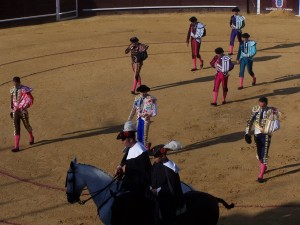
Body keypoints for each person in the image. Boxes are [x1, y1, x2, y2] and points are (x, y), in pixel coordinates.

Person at [244, 97, 281, 183]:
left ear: (266, 105)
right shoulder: (255, 110)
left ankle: (261, 175)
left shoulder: (272, 111)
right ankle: (263, 166)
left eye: (263, 106)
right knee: (259, 154)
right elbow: (250, 122)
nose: (261, 108)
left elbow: (277, 125)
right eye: (260, 106)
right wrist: (247, 133)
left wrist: (270, 129)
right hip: (257, 135)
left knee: (264, 154)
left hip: (266, 135)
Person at [150, 144, 184, 225]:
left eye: (155, 157)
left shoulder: (170, 169)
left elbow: (171, 188)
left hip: (167, 198)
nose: (153, 159)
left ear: (163, 156)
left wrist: (157, 191)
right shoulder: (156, 164)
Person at [116, 121, 152, 195]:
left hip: (139, 189)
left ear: (131, 139)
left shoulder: (140, 151)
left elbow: (144, 174)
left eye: (123, 139)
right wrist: (120, 167)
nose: (122, 142)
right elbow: (125, 161)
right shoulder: (130, 147)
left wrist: (127, 170)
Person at [128, 85, 157, 150]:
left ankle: (144, 149)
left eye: (144, 92)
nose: (143, 94)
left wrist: (147, 114)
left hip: (146, 119)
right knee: (138, 134)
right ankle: (139, 148)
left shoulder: (151, 99)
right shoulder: (137, 98)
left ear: (146, 91)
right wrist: (129, 119)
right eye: (141, 92)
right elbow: (133, 109)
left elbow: (154, 112)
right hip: (139, 118)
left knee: (144, 135)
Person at [10, 76, 34, 152]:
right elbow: (12, 100)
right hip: (15, 111)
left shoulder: (24, 89)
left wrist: (26, 106)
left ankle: (31, 137)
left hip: (23, 110)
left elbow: (30, 98)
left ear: (19, 82)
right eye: (14, 83)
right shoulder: (12, 90)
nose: (15, 84)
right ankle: (16, 146)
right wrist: (11, 110)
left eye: (16, 83)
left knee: (27, 125)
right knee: (16, 128)